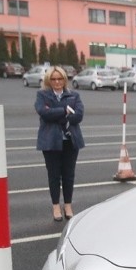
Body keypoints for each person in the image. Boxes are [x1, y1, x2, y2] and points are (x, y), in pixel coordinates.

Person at [35, 66, 85, 222]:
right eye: (54, 79)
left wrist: (56, 113)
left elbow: (79, 116)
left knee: (69, 176)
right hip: (51, 142)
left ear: (65, 79)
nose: (57, 82)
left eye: (60, 78)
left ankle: (68, 205)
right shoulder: (42, 95)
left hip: (70, 141)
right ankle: (56, 205)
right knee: (54, 176)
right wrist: (64, 111)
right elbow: (43, 113)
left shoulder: (74, 95)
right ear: (48, 81)